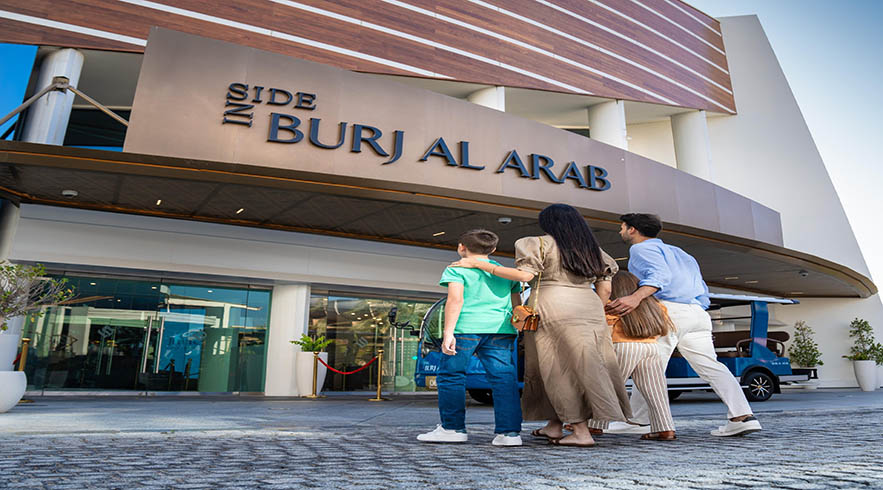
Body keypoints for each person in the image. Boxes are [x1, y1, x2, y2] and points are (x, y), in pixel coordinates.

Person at [452, 204, 629, 447]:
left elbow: (525, 276)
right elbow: (605, 289)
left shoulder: (535, 243)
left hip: (552, 304)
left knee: (555, 367)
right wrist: (591, 312)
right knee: (587, 365)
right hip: (589, 307)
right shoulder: (593, 250)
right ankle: (554, 426)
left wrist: (484, 265)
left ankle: (580, 432)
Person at [606, 213, 762, 437]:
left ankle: (641, 421)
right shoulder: (682, 253)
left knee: (648, 367)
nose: (620, 231)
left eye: (622, 227)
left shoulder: (640, 249)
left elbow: (660, 276)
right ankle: (743, 415)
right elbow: (700, 286)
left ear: (632, 230)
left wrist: (635, 297)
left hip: (669, 311)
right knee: (710, 366)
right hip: (697, 312)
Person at [417, 229, 524, 446]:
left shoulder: (456, 269)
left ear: (461, 247)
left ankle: (453, 429)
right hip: (501, 330)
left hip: (466, 329)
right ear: (493, 250)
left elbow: (455, 301)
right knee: (503, 379)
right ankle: (510, 434)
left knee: (451, 376)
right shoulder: (504, 272)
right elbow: (517, 304)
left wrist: (448, 332)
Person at [588, 270, 677, 441]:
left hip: (622, 346)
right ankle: (666, 429)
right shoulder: (654, 306)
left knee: (608, 387)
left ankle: (595, 425)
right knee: (656, 391)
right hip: (651, 347)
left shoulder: (612, 305)